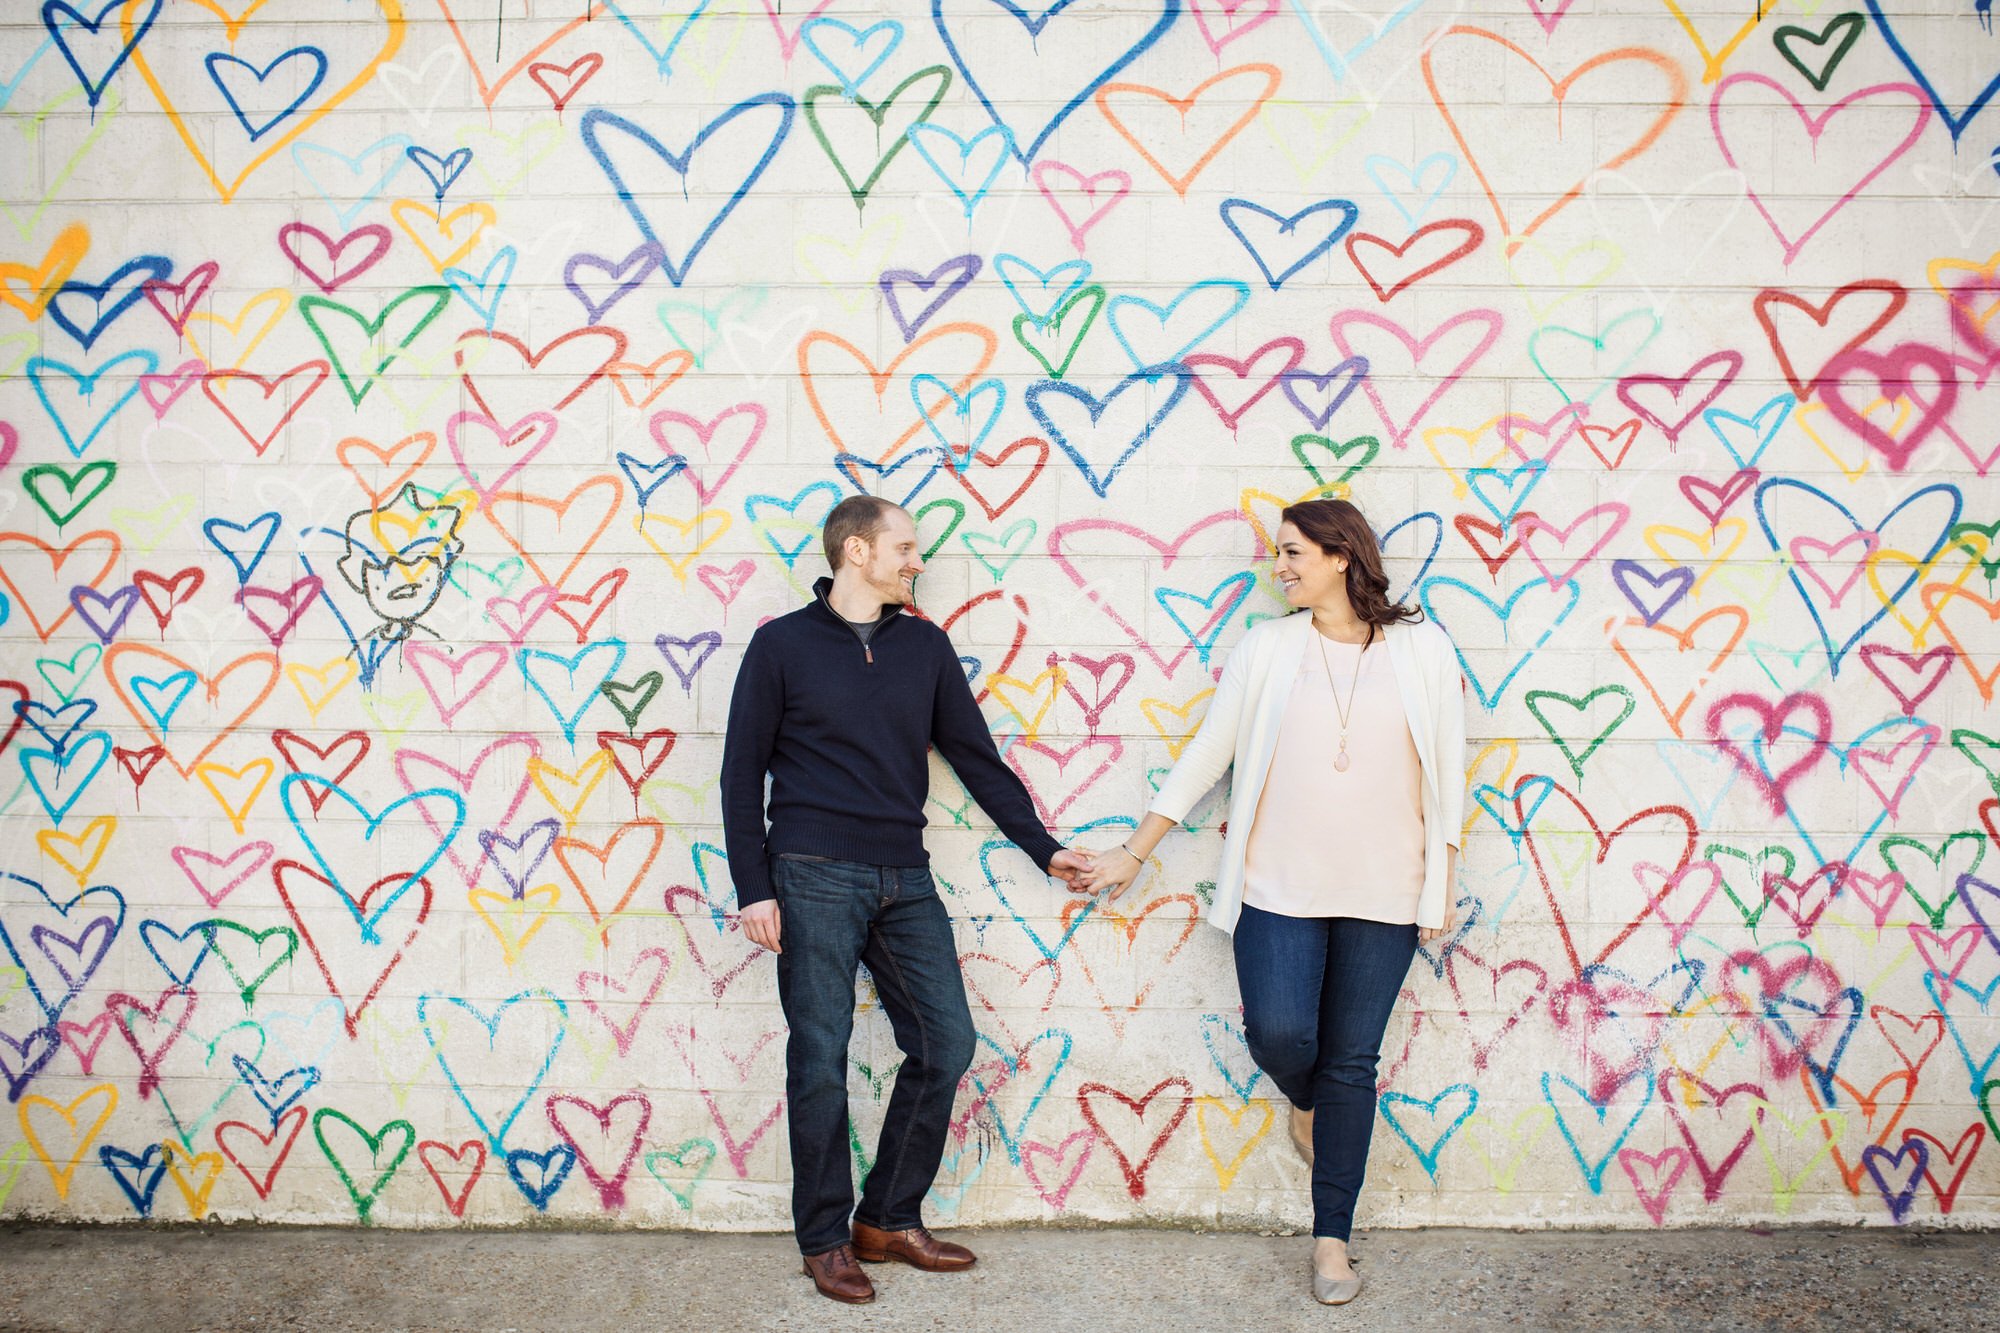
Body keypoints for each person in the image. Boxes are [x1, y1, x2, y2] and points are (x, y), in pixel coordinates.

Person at [1078, 498, 1466, 1307]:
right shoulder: (1269, 647)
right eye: (1278, 554)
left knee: (1355, 1058)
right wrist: (1132, 850)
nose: (1279, 568)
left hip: (1385, 890)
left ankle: (1332, 1242)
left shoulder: (1423, 650)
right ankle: (1304, 1097)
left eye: (1292, 553)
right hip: (1276, 886)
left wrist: (1442, 885)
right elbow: (1207, 754)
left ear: (1340, 555)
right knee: (1286, 1033)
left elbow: (1449, 780)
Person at [721, 494, 1093, 1305]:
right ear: (856, 551)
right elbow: (741, 770)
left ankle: (886, 1214)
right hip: (811, 871)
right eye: (905, 546)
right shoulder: (780, 645)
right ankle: (823, 1239)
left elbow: (975, 756)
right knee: (818, 1058)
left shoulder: (924, 645)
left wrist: (1047, 847)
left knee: (946, 1042)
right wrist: (754, 887)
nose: (916, 559)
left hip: (904, 875)